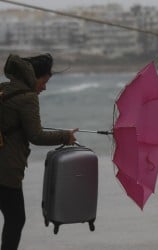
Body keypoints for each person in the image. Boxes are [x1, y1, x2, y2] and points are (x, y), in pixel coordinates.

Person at [0, 53, 78, 250]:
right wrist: (65, 136)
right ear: (34, 77)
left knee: (13, 217)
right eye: (44, 81)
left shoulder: (3, 90)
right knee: (16, 219)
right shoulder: (27, 98)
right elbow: (36, 136)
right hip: (6, 171)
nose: (44, 87)